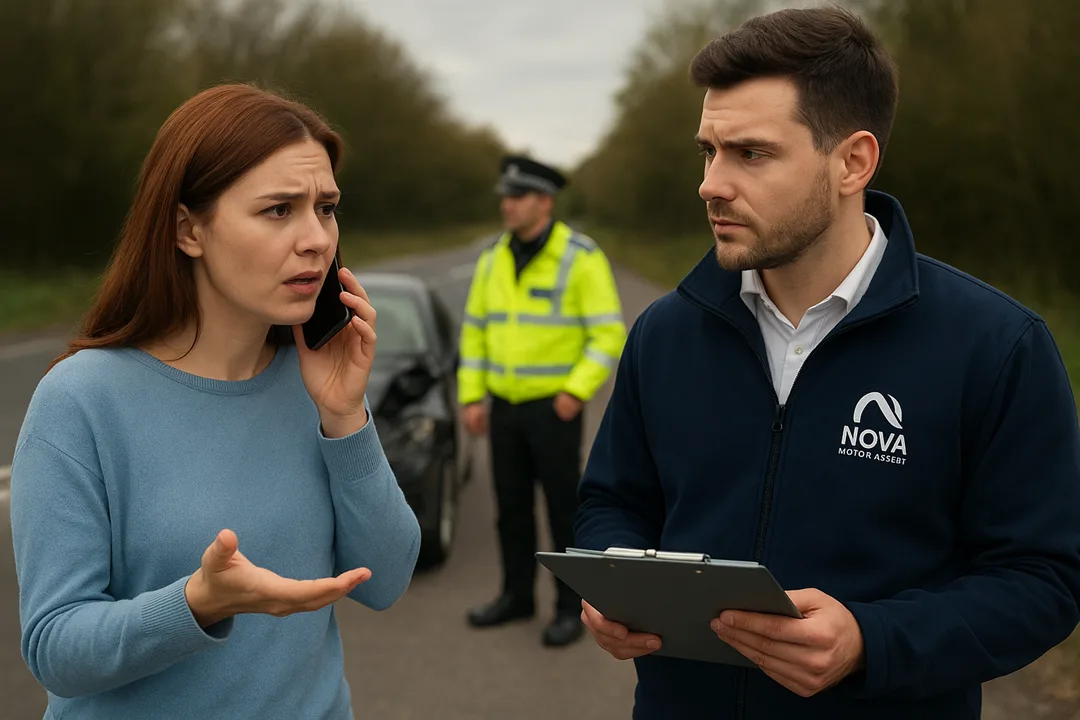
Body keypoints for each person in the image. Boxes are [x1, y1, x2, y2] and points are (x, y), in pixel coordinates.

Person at [574, 6, 1080, 719]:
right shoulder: (666, 332)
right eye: (708, 151)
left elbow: (1043, 579)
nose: (711, 184)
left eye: (750, 153)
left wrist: (873, 640)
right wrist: (614, 577)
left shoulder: (996, 346)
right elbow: (613, 502)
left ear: (853, 162)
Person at [9, 83, 422, 720]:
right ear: (188, 229)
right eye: (279, 210)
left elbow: (387, 581)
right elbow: (55, 648)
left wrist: (345, 419)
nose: (316, 238)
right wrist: (199, 601)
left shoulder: (315, 387)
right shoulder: (81, 399)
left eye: (326, 207)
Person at [458, 155, 627, 647]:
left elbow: (607, 333)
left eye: (517, 197)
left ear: (544, 202)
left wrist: (576, 391)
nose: (506, 206)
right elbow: (475, 332)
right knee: (509, 508)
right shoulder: (492, 257)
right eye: (505, 197)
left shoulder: (580, 256)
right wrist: (471, 396)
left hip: (554, 409)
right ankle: (516, 596)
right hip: (505, 409)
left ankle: (569, 608)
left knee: (561, 511)